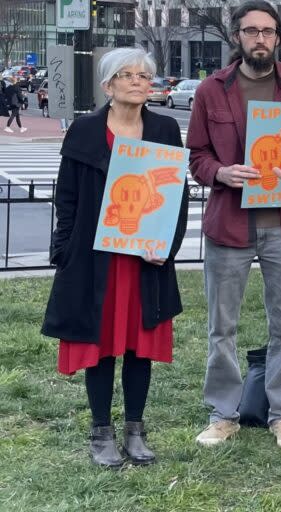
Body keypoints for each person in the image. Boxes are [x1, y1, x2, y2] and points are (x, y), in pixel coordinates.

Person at [187, 0, 281, 449]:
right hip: (229, 224)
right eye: (251, 31)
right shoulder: (211, 90)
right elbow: (197, 157)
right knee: (220, 326)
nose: (260, 38)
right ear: (237, 37)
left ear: (278, 37)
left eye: (267, 31)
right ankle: (223, 413)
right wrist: (220, 172)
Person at [41, 48, 188, 467]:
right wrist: (63, 252)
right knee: (101, 346)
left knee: (139, 348)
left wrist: (167, 247)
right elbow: (66, 199)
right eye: (128, 75)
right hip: (95, 259)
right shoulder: (84, 132)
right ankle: (101, 431)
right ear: (108, 85)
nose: (139, 81)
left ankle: (136, 430)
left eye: (146, 75)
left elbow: (175, 195)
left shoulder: (163, 129)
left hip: (145, 260)